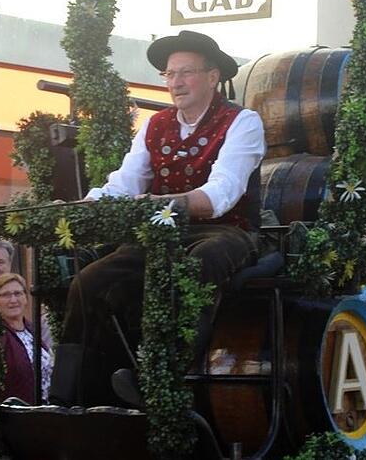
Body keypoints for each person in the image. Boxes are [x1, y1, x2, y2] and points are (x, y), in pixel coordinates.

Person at [50, 30, 266, 407]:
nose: (176, 83)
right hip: (162, 229)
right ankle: (72, 393)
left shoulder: (242, 121)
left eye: (186, 72)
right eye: (169, 74)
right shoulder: (155, 125)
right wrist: (84, 206)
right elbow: (124, 182)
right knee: (89, 281)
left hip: (225, 231)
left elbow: (222, 193)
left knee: (202, 260)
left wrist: (165, 202)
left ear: (213, 76)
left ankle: (162, 377)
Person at [0, 272, 54, 403]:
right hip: (19, 415)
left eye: (18, 293)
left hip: (46, 410)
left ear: (26, 298)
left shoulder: (32, 330)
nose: (13, 300)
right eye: (6, 295)